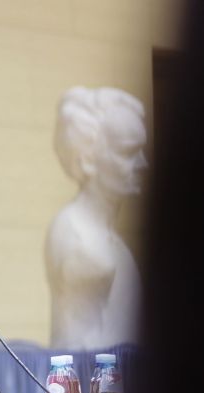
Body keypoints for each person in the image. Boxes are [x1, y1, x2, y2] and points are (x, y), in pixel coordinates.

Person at [44, 86, 147, 349]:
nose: (143, 163)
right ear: (88, 158)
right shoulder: (78, 237)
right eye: (128, 152)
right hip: (92, 385)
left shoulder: (111, 241)